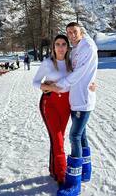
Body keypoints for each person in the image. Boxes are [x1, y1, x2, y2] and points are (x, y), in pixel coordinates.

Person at [44, 22, 98, 196]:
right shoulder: (75, 49)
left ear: (81, 31)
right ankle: (85, 172)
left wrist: (58, 86)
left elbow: (80, 73)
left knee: (74, 135)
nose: (72, 35)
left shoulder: (88, 46)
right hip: (75, 100)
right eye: (69, 33)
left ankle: (74, 183)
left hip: (83, 100)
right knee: (81, 135)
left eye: (75, 32)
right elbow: (79, 72)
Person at [33, 35, 73, 186]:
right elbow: (35, 82)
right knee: (57, 139)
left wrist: (92, 84)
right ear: (53, 47)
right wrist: (51, 87)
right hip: (50, 104)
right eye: (58, 44)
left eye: (63, 44)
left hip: (66, 105)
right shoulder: (48, 63)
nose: (61, 47)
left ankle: (54, 169)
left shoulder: (71, 63)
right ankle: (62, 177)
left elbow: (81, 78)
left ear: (67, 47)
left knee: (59, 139)